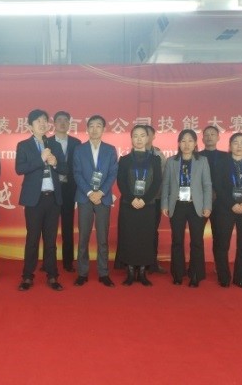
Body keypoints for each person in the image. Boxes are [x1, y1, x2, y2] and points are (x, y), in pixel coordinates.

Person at [15, 109, 67, 292]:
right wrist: (41, 159)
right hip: (34, 200)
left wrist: (55, 163)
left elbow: (65, 169)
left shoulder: (55, 145)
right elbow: (19, 169)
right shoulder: (24, 145)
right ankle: (27, 276)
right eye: (38, 121)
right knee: (32, 239)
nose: (43, 124)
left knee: (51, 240)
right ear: (30, 125)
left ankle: (52, 275)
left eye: (45, 120)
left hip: (52, 198)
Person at [161, 129, 212, 287]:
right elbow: (166, 185)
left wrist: (207, 206)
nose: (187, 144)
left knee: (196, 241)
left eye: (190, 140)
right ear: (178, 143)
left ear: (196, 143)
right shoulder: (171, 161)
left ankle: (195, 274)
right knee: (177, 240)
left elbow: (207, 185)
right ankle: (178, 274)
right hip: (177, 205)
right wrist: (164, 204)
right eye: (183, 140)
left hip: (196, 206)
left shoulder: (202, 161)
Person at [73, 115, 118, 287]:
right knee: (83, 237)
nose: (94, 129)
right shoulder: (79, 149)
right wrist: (90, 192)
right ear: (87, 129)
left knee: (102, 238)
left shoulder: (110, 149)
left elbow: (113, 173)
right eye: (91, 126)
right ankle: (82, 273)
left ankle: (103, 273)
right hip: (84, 197)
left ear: (104, 129)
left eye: (98, 126)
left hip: (103, 198)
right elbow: (77, 173)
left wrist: (101, 192)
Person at [213, 132, 242, 288]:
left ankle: (240, 278)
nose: (239, 146)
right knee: (222, 244)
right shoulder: (221, 163)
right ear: (229, 146)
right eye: (235, 142)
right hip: (225, 209)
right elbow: (218, 187)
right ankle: (224, 277)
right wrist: (231, 204)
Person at [116, 125, 162, 286]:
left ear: (148, 138)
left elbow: (157, 182)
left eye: (142, 135)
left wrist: (144, 199)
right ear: (131, 139)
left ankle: (142, 272)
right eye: (135, 135)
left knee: (145, 238)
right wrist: (132, 199)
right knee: (129, 237)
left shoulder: (155, 159)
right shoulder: (124, 159)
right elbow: (121, 182)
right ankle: (130, 271)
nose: (139, 139)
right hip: (129, 205)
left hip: (148, 205)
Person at [50, 111, 81, 272]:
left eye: (65, 120)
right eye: (59, 120)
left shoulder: (76, 143)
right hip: (51, 189)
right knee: (49, 227)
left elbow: (78, 167)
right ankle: (49, 261)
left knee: (67, 226)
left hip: (69, 189)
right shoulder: (47, 142)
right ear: (54, 123)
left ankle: (68, 262)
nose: (62, 123)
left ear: (69, 124)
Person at [199, 125, 229, 271]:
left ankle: (220, 267)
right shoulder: (196, 156)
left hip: (221, 203)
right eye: (206, 134)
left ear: (218, 137)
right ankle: (197, 267)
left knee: (220, 237)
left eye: (212, 134)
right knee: (197, 236)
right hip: (201, 202)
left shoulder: (226, 157)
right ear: (202, 139)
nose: (209, 137)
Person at [145, 124, 168, 275]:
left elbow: (164, 178)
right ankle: (136, 262)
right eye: (142, 133)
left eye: (148, 133)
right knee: (137, 231)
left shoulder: (159, 155)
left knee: (153, 231)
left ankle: (152, 262)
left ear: (154, 136)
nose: (145, 136)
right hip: (136, 201)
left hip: (155, 199)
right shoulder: (132, 154)